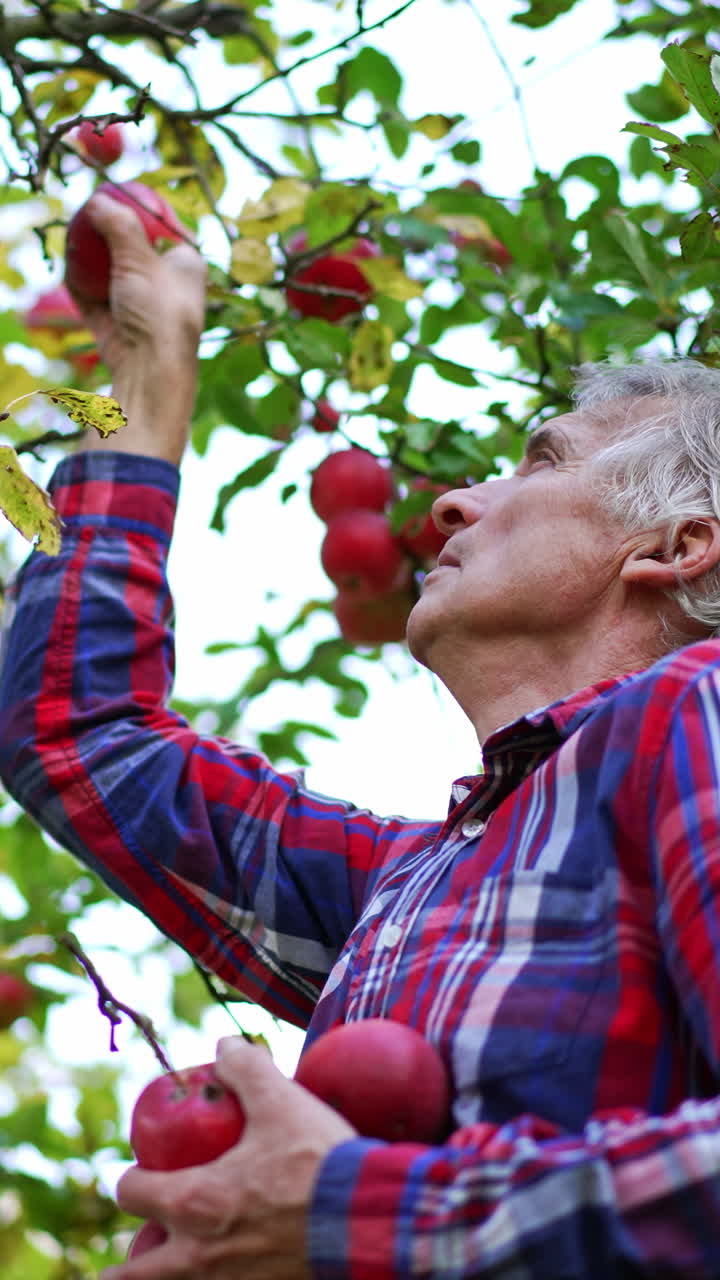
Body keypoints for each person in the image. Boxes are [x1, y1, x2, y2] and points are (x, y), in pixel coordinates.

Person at [2, 193, 720, 1280]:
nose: (449, 506)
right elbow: (79, 733)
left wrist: (364, 1211)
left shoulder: (696, 713)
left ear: (677, 544)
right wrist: (150, 380)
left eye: (536, 462)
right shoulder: (412, 884)